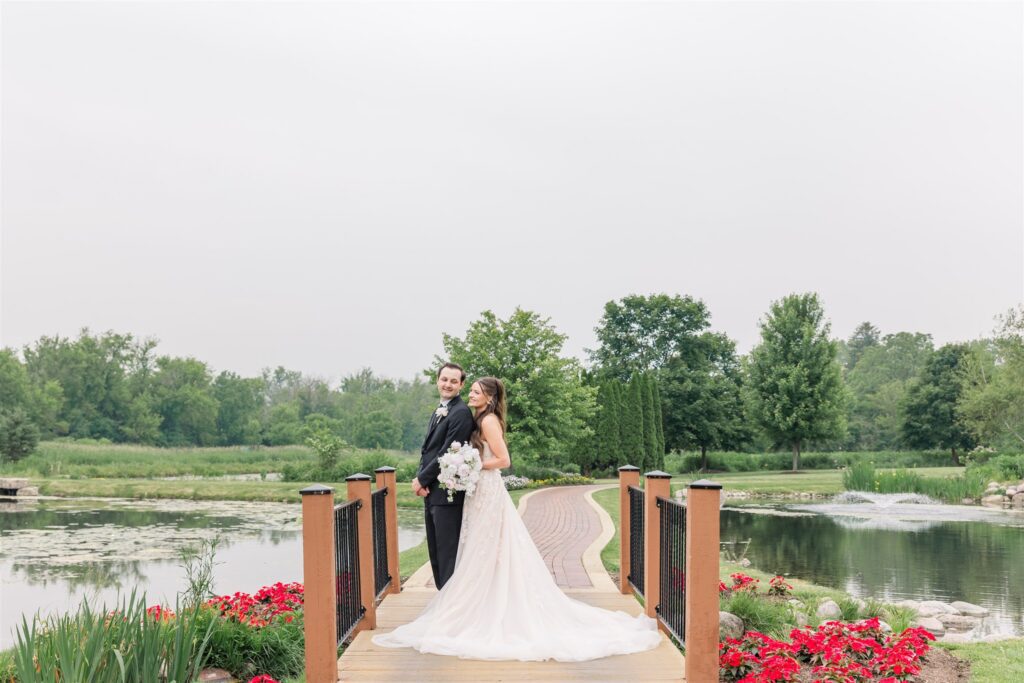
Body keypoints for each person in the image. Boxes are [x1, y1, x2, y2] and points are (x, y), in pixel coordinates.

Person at [373, 377, 661, 661]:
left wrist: (471, 464)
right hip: (478, 493)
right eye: (471, 390)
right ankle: (481, 605)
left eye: (476, 392)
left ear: (490, 397)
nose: (471, 395)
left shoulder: (488, 421)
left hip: (488, 491)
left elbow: (504, 460)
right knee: (479, 549)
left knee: (488, 547)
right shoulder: (478, 416)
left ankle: (487, 609)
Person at [411, 362, 475, 589]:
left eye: (453, 381)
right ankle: (443, 602)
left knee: (448, 554)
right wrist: (422, 479)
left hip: (447, 495)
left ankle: (451, 608)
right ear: (437, 380)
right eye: (444, 379)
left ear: (461, 385)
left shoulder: (461, 413)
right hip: (433, 492)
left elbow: (447, 451)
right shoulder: (441, 409)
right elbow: (428, 450)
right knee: (436, 552)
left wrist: (421, 480)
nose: (447, 384)